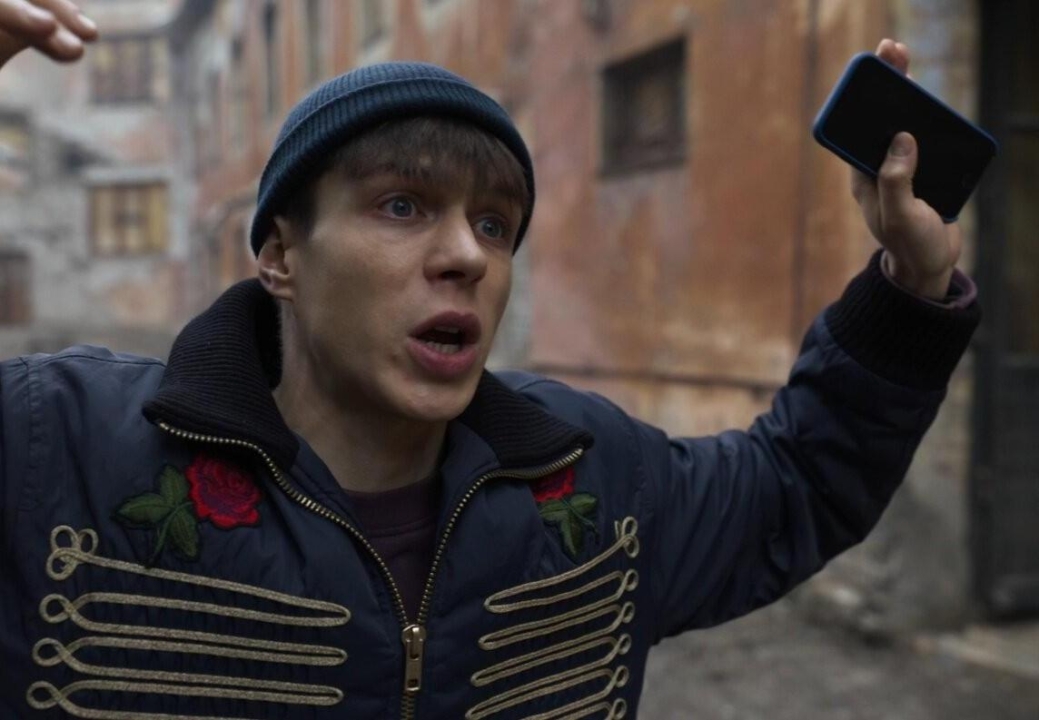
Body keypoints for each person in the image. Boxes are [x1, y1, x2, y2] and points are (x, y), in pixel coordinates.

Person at [0, 2, 980, 719]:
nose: (466, 255)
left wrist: (909, 284)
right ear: (281, 255)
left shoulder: (590, 473)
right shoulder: (61, 447)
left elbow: (797, 482)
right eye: (402, 206)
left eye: (495, 224)